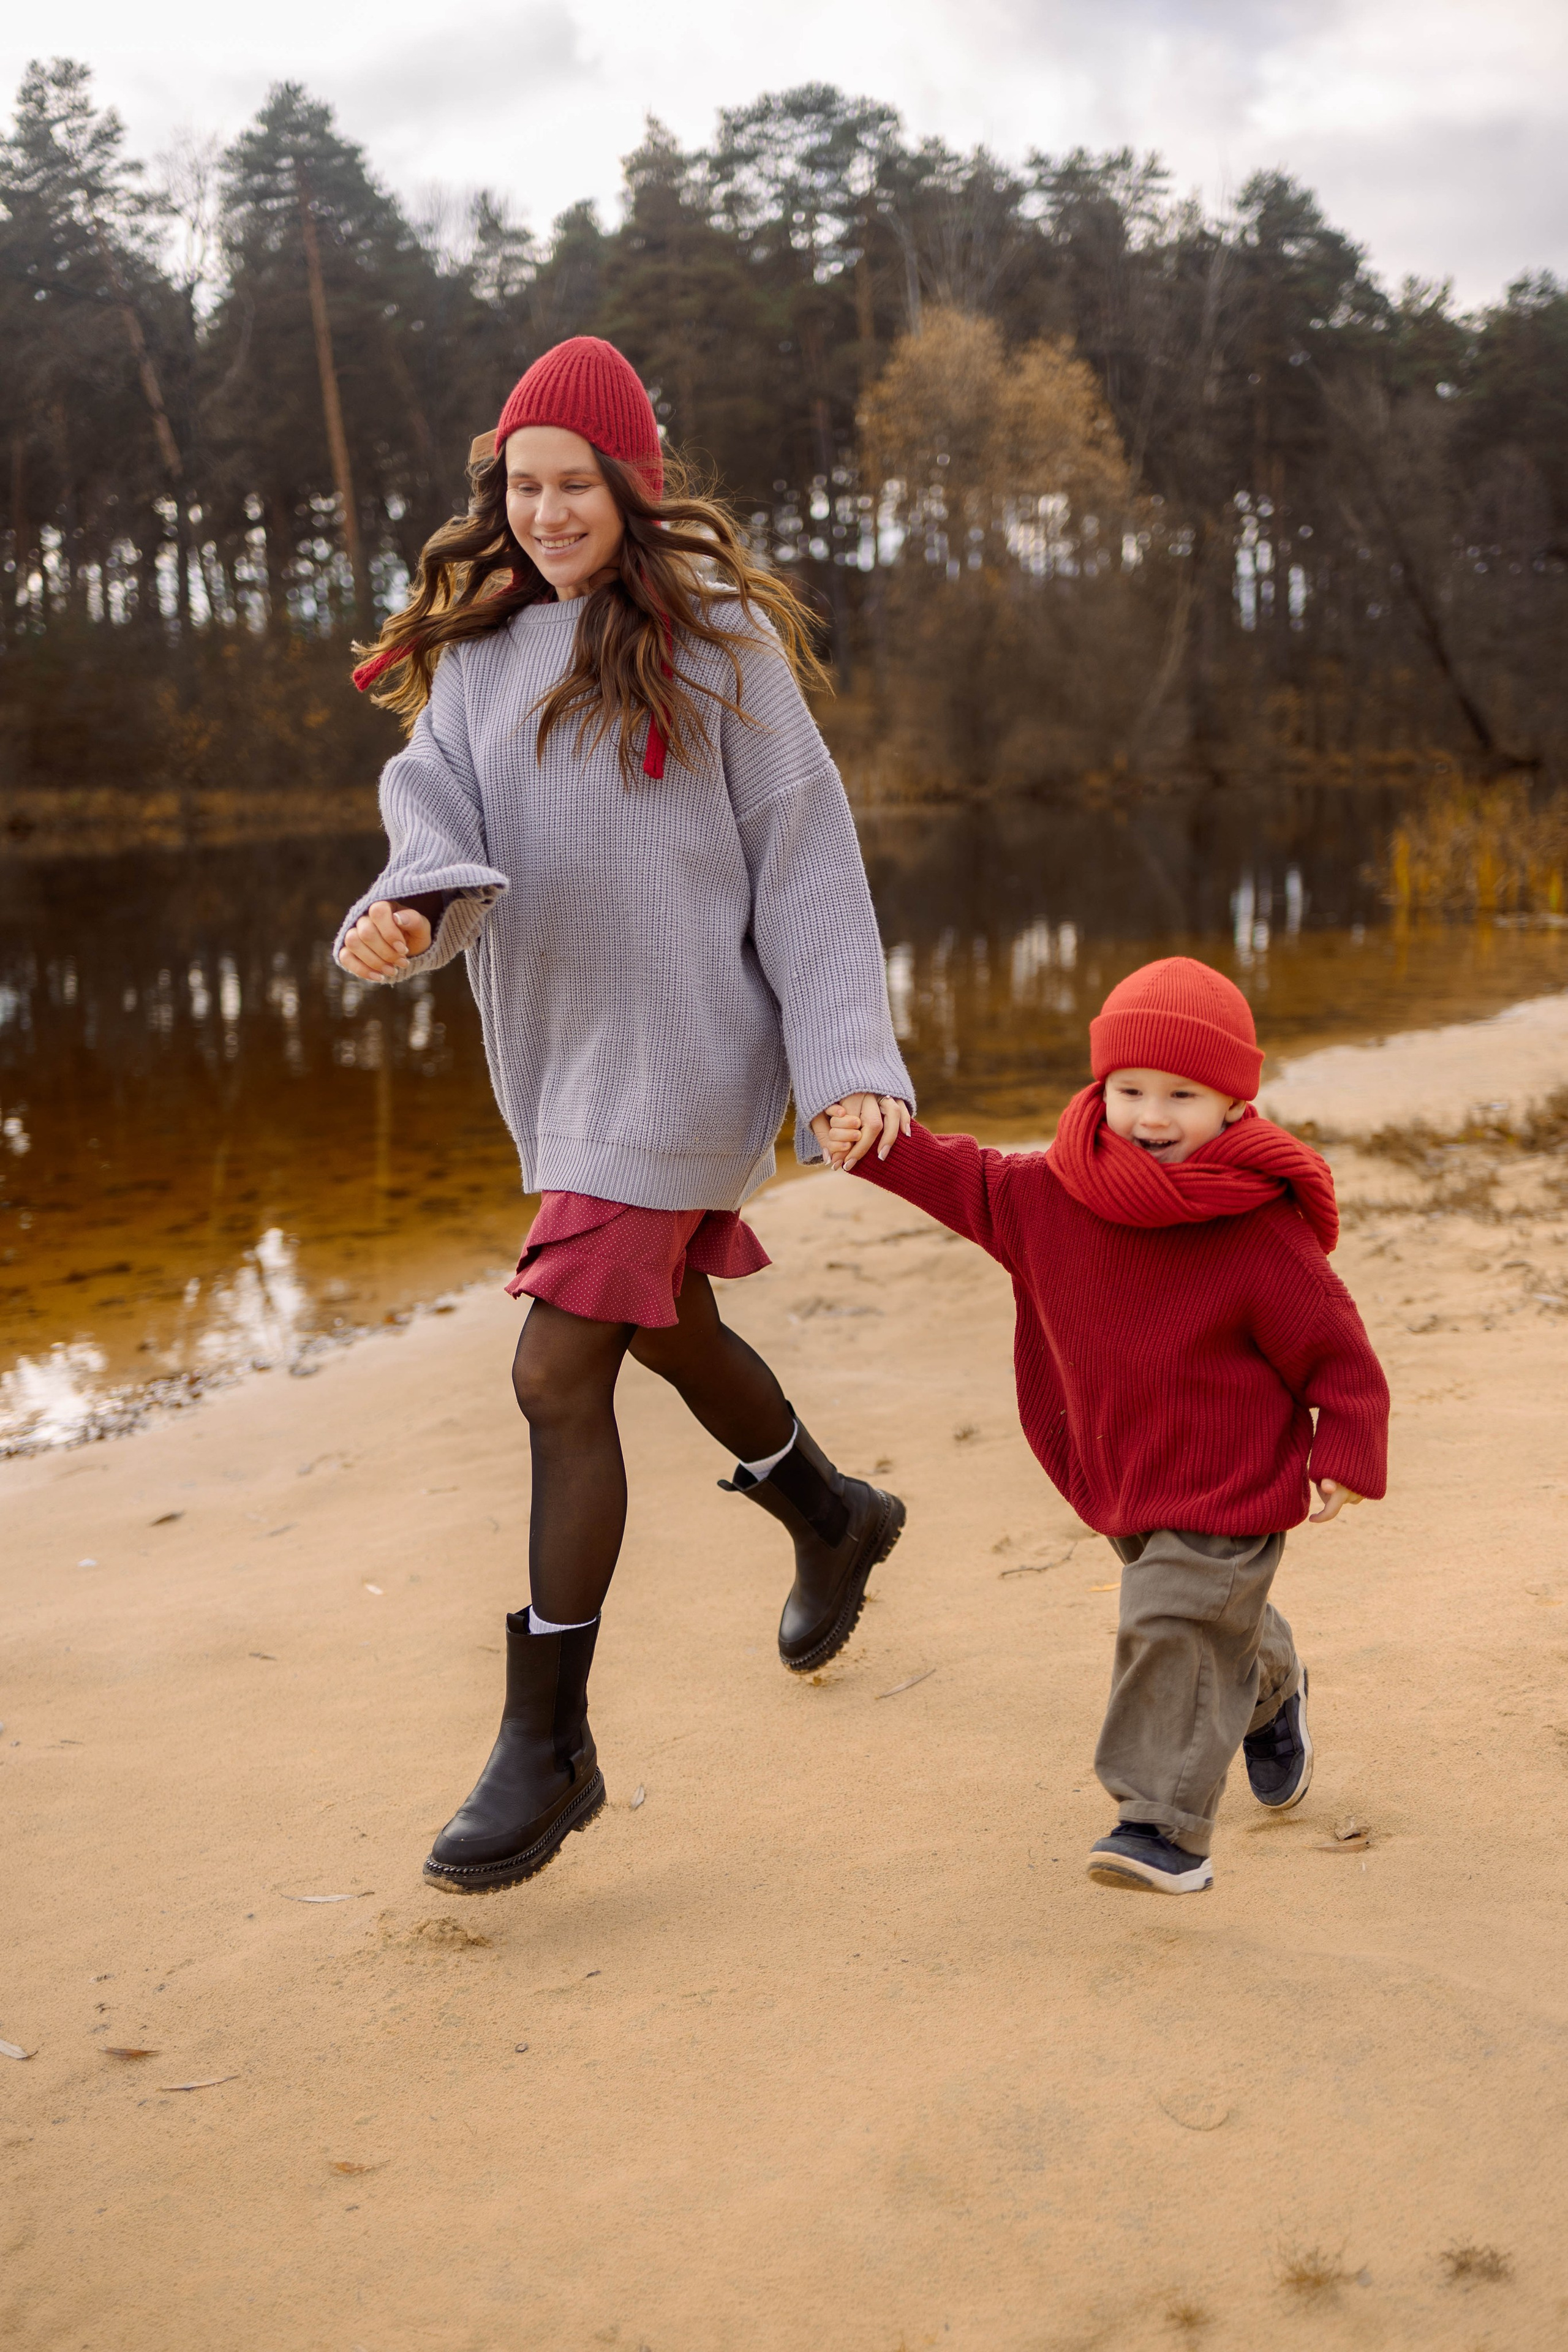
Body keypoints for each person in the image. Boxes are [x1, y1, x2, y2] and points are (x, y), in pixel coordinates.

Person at [336, 336, 911, 1894]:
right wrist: (404, 913)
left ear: (629, 488)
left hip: (691, 1046)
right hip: (565, 1059)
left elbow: (808, 865)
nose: (543, 512)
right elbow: (434, 822)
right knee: (662, 1327)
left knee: (554, 1366)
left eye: (571, 485)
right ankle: (829, 1509)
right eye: (519, 486)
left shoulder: (718, 643)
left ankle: (547, 1745)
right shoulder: (475, 654)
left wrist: (845, 1060)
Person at [817, 956, 1389, 1894]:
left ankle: (1159, 1827)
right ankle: (1273, 1691)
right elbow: (961, 1177)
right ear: (1100, 1086)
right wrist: (873, 1138)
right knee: (1202, 1614)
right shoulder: (1048, 1196)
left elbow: (1338, 1349)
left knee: (1170, 1615)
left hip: (1234, 1473)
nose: (1152, 1116)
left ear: (1237, 1107)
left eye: (1183, 1094)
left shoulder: (1257, 1229)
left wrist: (1347, 1446)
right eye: (1129, 1090)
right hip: (1120, 1469)